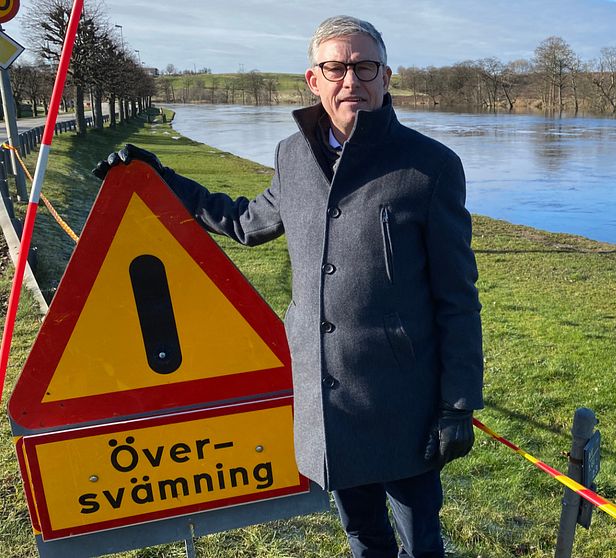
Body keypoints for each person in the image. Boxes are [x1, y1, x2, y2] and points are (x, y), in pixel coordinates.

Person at [94, 15, 483, 558]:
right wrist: (163, 179)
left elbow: (458, 298)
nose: (352, 80)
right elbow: (246, 222)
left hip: (405, 399)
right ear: (313, 79)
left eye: (365, 66)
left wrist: (458, 404)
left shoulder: (431, 166)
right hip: (328, 395)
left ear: (387, 76)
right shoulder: (291, 155)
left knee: (421, 542)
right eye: (336, 67)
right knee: (363, 537)